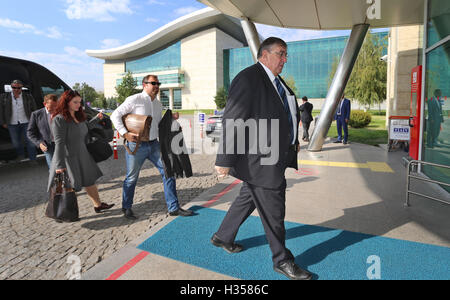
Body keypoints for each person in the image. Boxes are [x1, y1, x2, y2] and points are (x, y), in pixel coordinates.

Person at [213, 37, 312, 280]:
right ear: (264, 54)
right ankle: (282, 259)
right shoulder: (249, 78)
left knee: (247, 198)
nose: (285, 59)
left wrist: (293, 142)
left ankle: (222, 236)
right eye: (281, 54)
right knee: (274, 211)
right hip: (260, 161)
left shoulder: (278, 83)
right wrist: (224, 159)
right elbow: (233, 119)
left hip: (275, 156)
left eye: (286, 54)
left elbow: (285, 115)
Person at [111, 75, 193, 220]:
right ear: (144, 85)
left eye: (158, 83)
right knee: (131, 178)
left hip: (154, 144)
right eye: (153, 83)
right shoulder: (134, 99)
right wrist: (125, 134)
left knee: (168, 172)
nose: (157, 86)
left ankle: (173, 207)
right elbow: (115, 115)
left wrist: (171, 119)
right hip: (136, 145)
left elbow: (159, 124)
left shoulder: (158, 104)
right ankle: (127, 207)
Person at [47, 90, 114, 215]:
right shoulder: (59, 119)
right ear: (66, 102)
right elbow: (59, 143)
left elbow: (85, 127)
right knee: (70, 186)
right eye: (75, 102)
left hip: (83, 154)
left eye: (80, 102)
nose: (79, 105)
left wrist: (96, 119)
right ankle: (63, 212)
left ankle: (98, 205)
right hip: (68, 157)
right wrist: (60, 165)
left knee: (89, 181)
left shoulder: (78, 116)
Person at [0, 80, 37, 161]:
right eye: (14, 87)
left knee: (30, 141)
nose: (16, 89)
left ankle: (33, 159)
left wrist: (34, 121)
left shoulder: (28, 97)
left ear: (22, 88)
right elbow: (1, 111)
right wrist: (3, 122)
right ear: (11, 87)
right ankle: (21, 155)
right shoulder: (4, 97)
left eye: (18, 88)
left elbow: (34, 110)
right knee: (16, 143)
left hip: (27, 122)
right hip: (12, 124)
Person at [27, 94, 58, 168]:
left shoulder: (61, 112)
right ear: (45, 104)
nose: (54, 109)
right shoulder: (36, 115)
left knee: (63, 167)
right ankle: (56, 179)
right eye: (52, 106)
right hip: (47, 145)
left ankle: (62, 179)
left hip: (60, 144)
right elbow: (30, 132)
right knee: (53, 168)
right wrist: (39, 143)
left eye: (56, 106)